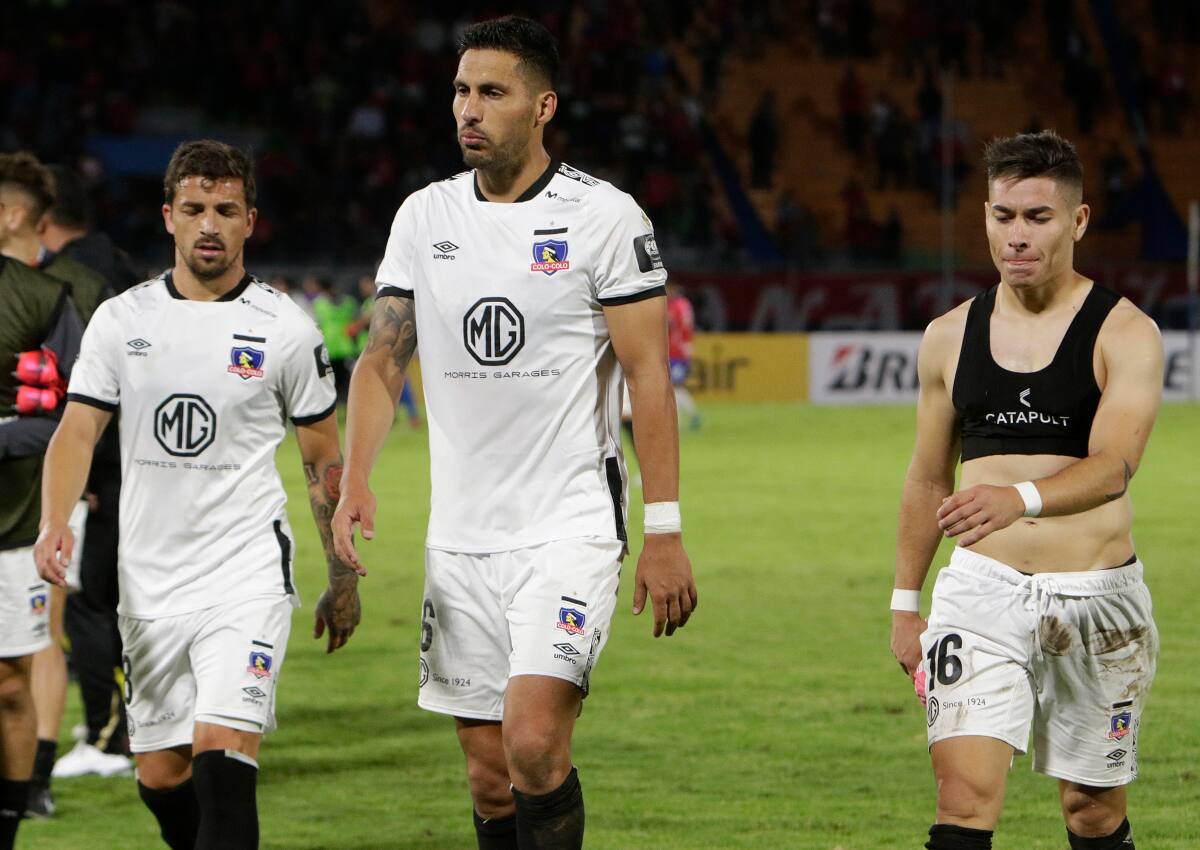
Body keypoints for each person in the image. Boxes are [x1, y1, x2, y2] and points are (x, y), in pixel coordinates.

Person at [333, 17, 697, 850]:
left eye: (491, 93)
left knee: (534, 743)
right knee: (489, 775)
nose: (469, 108)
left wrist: (666, 529)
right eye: (461, 90)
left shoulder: (603, 216)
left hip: (566, 527)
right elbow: (383, 362)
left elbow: (648, 377)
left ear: (542, 106)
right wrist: (356, 476)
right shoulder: (424, 218)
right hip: (460, 536)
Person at [34, 140, 363, 850]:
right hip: (149, 579)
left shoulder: (286, 330)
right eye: (194, 209)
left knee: (223, 753)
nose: (208, 224)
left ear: (250, 220)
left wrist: (342, 578)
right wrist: (54, 519)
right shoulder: (123, 321)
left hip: (245, 573)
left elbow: (321, 461)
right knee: (160, 774)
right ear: (168, 217)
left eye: (225, 210)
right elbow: (77, 431)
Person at [890, 130, 1161, 850]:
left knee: (1091, 813)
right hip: (980, 594)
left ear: (1077, 221)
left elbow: (1115, 466)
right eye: (1003, 216)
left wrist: (1022, 498)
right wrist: (904, 602)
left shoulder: (1125, 332)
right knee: (963, 801)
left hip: (1098, 603)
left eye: (1037, 218)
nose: (1016, 236)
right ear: (984, 216)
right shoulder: (949, 336)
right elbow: (925, 477)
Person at [0, 151, 117, 820]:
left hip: (49, 493)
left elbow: (89, 406)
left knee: (43, 632)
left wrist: (90, 480)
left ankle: (36, 770)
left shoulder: (75, 290)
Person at [0, 156, 85, 848]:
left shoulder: (44, 300)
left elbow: (70, 413)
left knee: (11, 684)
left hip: (12, 526)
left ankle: (18, 809)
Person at [348, 273, 420, 428]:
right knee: (386, 383)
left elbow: (374, 316)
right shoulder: (370, 300)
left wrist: (357, 325)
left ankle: (411, 415)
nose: (363, 287)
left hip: (387, 348)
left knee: (396, 380)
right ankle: (391, 417)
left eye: (365, 284)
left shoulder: (382, 297)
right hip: (375, 347)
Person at [304, 274, 357, 402]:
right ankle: (343, 406)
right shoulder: (349, 302)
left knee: (334, 381)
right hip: (342, 347)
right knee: (342, 381)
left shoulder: (318, 303)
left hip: (333, 347)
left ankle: (339, 406)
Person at [666, 281, 700, 431]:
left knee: (674, 386)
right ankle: (692, 415)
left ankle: (685, 418)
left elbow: (672, 325)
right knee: (675, 385)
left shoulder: (675, 306)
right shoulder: (684, 304)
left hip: (676, 350)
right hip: (680, 349)